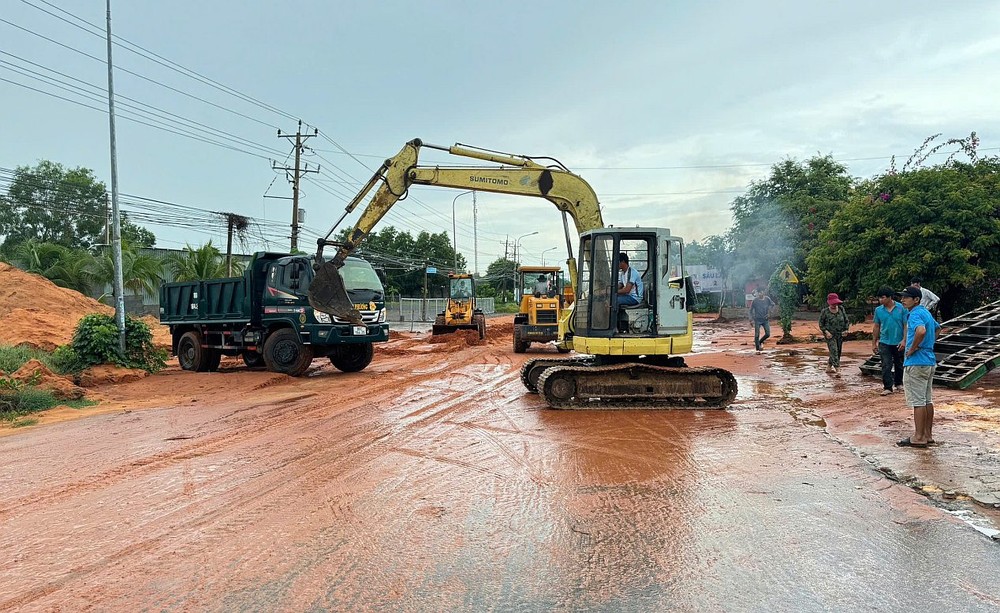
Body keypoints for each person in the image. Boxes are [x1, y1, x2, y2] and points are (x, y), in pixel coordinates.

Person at [896, 286, 941, 448]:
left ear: (916, 300)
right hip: (929, 360)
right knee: (927, 400)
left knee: (918, 401)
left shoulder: (914, 314)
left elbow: (920, 331)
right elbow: (937, 328)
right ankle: (927, 435)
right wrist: (928, 345)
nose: (902, 300)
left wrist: (913, 348)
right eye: (902, 297)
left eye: (906, 297)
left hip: (916, 362)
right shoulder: (925, 312)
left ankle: (919, 437)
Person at [872, 286, 907, 395]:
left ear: (890, 297)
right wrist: (874, 343)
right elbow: (876, 326)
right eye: (879, 298)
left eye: (882, 297)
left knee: (899, 364)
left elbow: (906, 325)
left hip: (898, 341)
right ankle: (887, 387)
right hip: (884, 341)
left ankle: (899, 383)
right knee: (886, 365)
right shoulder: (878, 310)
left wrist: (904, 340)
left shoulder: (902, 308)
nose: (880, 300)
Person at [818, 292, 849, 375]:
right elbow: (821, 324)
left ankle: (828, 367)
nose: (834, 305)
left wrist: (846, 330)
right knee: (834, 350)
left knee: (838, 351)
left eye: (836, 303)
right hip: (830, 335)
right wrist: (826, 332)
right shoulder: (825, 312)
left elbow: (846, 320)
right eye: (833, 303)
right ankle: (838, 369)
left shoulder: (841, 309)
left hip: (840, 334)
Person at [748, 288, 775, 353]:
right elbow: (750, 310)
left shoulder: (767, 299)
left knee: (768, 334)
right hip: (757, 320)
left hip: (765, 320)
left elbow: (773, 305)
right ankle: (757, 349)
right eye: (759, 292)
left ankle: (760, 342)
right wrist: (751, 319)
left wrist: (770, 313)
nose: (760, 294)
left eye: (761, 292)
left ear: (763, 292)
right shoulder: (755, 301)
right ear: (757, 293)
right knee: (757, 335)